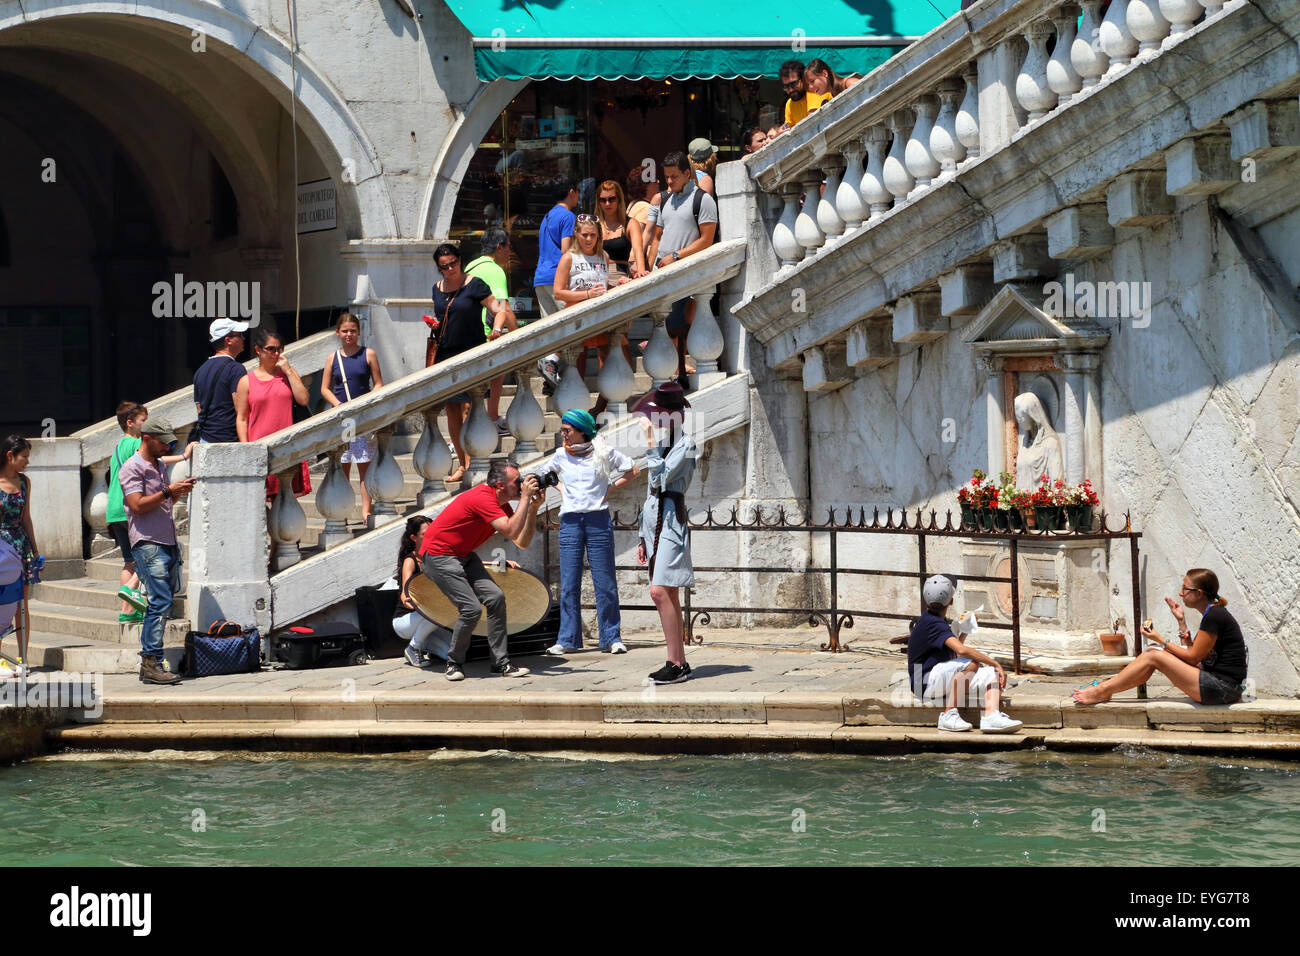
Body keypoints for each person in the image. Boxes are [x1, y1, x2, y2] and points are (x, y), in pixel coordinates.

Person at [418, 461, 544, 680]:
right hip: (439, 555)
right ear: (499, 484)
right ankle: (453, 663)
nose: (522, 484)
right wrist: (524, 498)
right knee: (471, 609)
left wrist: (533, 507)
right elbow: (508, 528)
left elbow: (521, 541)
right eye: (517, 482)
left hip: (463, 555)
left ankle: (500, 664)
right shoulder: (482, 498)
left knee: (495, 597)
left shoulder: (501, 505)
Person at [537, 409, 638, 657]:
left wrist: (609, 490)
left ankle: (611, 637)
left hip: (598, 520)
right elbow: (541, 475)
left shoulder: (603, 452)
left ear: (582, 431)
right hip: (570, 521)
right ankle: (567, 639)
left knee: (605, 582)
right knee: (569, 583)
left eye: (567, 430)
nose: (563, 434)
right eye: (563, 430)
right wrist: (560, 488)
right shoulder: (561, 455)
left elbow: (632, 470)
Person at [1073, 569, 1249, 706]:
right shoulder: (1213, 613)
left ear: (1199, 593)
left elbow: (1193, 657)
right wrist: (1181, 622)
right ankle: (1106, 689)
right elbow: (1192, 654)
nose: (1181, 593)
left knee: (1153, 655)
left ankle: (1103, 690)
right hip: (1218, 686)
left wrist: (1161, 640)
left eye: (1185, 589)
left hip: (1223, 689)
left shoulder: (1214, 615)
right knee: (1152, 655)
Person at [430, 243, 517, 482]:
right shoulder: (437, 289)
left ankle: (475, 456)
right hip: (446, 355)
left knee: (471, 407)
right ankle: (463, 463)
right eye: (444, 267)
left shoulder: (475, 284)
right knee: (451, 411)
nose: (449, 269)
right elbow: (444, 317)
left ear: (460, 260)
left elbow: (499, 308)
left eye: (453, 264)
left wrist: (498, 329)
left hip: (472, 351)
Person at [119, 418, 195, 685]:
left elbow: (162, 502)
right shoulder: (132, 468)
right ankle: (151, 662)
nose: (168, 446)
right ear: (148, 438)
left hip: (166, 540)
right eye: (165, 442)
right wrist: (167, 491)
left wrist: (177, 491)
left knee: (164, 599)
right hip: (147, 543)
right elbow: (137, 505)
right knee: (160, 602)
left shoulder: (159, 465)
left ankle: (150, 663)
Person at [107, 402, 195, 623]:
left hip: (115, 507)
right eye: (143, 421)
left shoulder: (118, 446)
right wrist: (184, 457)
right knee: (141, 557)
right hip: (132, 507)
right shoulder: (134, 443)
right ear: (131, 423)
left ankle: (127, 610)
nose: (147, 426)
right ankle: (130, 592)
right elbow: (158, 458)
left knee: (129, 561)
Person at [634, 384, 698, 684]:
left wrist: (648, 441)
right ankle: (679, 662)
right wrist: (641, 536)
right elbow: (649, 492)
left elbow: (659, 480)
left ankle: (674, 661)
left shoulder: (686, 445)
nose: (655, 419)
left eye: (659, 414)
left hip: (672, 520)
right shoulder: (664, 445)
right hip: (656, 522)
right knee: (668, 592)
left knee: (659, 591)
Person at [906, 574, 1023, 733]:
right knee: (972, 663)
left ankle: (991, 717)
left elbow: (953, 654)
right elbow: (961, 651)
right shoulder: (934, 623)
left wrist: (965, 630)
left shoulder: (932, 620)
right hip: (924, 683)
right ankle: (948, 714)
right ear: (951, 601)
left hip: (934, 678)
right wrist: (995, 662)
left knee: (992, 674)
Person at [646, 151, 718, 385]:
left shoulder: (703, 200)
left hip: (686, 276)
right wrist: (651, 264)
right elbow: (657, 236)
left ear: (687, 174)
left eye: (673, 176)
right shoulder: (665, 200)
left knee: (678, 327)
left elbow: (707, 240)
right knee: (665, 327)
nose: (669, 181)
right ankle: (672, 374)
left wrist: (675, 256)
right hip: (662, 275)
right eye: (666, 177)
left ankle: (681, 373)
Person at [320, 313, 385, 523]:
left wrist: (367, 402)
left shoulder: (369, 354)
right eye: (345, 331)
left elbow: (378, 383)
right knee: (342, 465)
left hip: (362, 417)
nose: (349, 334)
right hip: (343, 419)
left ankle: (366, 510)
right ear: (338, 332)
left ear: (358, 332)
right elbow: (325, 389)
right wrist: (338, 405)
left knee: (364, 464)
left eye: (353, 331)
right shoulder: (332, 358)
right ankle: (343, 509)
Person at [554, 214, 631, 387]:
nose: (589, 239)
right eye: (584, 235)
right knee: (578, 358)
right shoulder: (568, 257)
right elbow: (558, 293)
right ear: (576, 234)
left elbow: (603, 287)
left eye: (593, 235)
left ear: (599, 236)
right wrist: (587, 294)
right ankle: (577, 403)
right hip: (577, 313)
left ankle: (604, 402)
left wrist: (618, 284)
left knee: (608, 354)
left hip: (600, 312)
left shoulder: (604, 256)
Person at [464, 228, 519, 435]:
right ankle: (493, 417)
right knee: (498, 371)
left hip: (467, 334)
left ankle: (473, 424)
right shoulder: (495, 271)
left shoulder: (470, 266)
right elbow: (501, 307)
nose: (509, 252)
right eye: (508, 247)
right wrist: (516, 335)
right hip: (486, 332)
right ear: (500, 247)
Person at [0, 435, 40, 669]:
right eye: (23, 456)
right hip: (2, 549)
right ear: (9, 456)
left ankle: (23, 658)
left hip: (20, 545)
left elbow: (26, 517)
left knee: (21, 604)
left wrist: (34, 550)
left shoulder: (25, 482)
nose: (27, 461)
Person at [393, 515, 452, 667]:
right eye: (426, 534)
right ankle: (413, 648)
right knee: (439, 611)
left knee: (451, 653)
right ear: (413, 537)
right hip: (405, 621)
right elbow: (406, 592)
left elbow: (466, 563)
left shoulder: (436, 556)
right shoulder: (410, 561)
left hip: (428, 619)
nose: (431, 537)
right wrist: (407, 598)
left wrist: (499, 563)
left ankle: (424, 644)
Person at [193, 318, 249, 444]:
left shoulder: (200, 371)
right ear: (228, 340)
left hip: (205, 440)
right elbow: (241, 410)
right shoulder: (236, 369)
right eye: (240, 335)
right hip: (229, 440)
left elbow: (199, 409)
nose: (243, 338)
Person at [532, 179, 579, 318]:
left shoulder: (546, 217)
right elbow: (566, 250)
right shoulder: (568, 216)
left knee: (550, 330)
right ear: (572, 192)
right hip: (558, 279)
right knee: (571, 323)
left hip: (541, 278)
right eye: (578, 191)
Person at [624, 167, 659, 278]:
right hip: (639, 264)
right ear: (645, 185)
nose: (658, 181)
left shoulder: (633, 204)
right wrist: (638, 264)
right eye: (654, 180)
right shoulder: (646, 208)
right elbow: (640, 237)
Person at [780, 59, 831, 128]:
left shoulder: (815, 91)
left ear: (804, 79)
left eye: (793, 84)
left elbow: (812, 120)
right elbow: (787, 127)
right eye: (786, 86)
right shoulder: (790, 104)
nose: (790, 90)